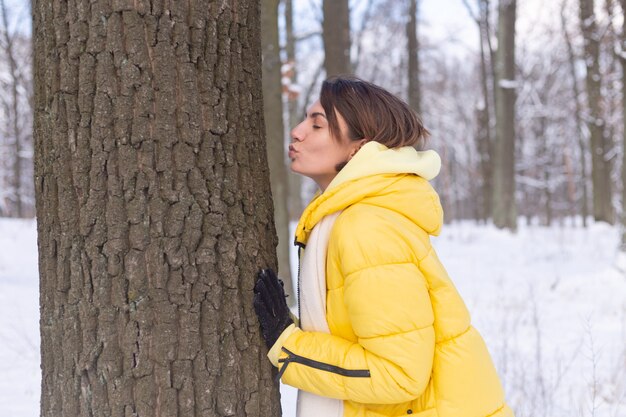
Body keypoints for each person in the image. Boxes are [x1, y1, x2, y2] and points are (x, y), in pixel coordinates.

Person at [253, 76, 513, 417]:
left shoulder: (366, 228)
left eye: (317, 125)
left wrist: (288, 345)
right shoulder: (352, 218)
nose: (297, 131)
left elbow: (399, 374)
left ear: (359, 148)